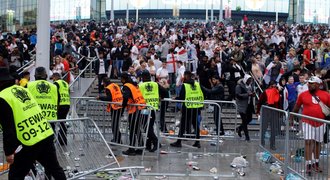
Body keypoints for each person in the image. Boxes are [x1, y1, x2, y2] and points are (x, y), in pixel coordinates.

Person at [0, 67, 66, 179]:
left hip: (28, 141)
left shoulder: (2, 97)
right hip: (44, 133)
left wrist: (9, 152)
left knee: (15, 175)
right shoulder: (22, 89)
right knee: (55, 169)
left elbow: (8, 127)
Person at [292, 76, 330, 176]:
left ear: (318, 84)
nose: (310, 85)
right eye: (309, 83)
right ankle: (308, 165)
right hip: (307, 122)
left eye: (312, 83)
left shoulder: (326, 95)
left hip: (320, 123)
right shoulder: (303, 95)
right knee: (308, 142)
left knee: (318, 143)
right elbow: (296, 107)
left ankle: (316, 163)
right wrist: (290, 118)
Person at [170, 71, 204, 148]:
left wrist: (175, 98)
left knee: (182, 125)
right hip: (196, 107)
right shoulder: (197, 84)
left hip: (188, 108)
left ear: (185, 76)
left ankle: (179, 142)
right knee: (195, 125)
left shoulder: (185, 85)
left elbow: (182, 97)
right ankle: (197, 142)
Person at [139, 70, 168, 152]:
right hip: (153, 108)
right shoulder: (155, 84)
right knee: (149, 127)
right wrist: (160, 97)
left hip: (144, 109)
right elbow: (166, 92)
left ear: (143, 77)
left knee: (146, 128)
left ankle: (156, 142)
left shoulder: (141, 85)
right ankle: (148, 144)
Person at [121, 72, 146, 156]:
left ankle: (131, 149)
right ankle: (141, 147)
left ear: (123, 79)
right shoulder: (133, 85)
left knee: (132, 129)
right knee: (137, 129)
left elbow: (125, 97)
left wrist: (123, 107)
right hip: (139, 108)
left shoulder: (127, 86)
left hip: (134, 110)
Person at [256, 80, 281, 150]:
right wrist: (257, 111)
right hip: (267, 112)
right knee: (264, 128)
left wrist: (280, 113)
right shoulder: (266, 92)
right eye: (273, 86)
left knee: (273, 129)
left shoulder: (277, 92)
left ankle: (272, 144)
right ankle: (263, 142)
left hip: (273, 112)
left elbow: (278, 103)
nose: (274, 87)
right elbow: (260, 102)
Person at [97, 77, 123, 144]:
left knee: (114, 124)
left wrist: (100, 97)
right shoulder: (115, 85)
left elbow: (109, 98)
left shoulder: (108, 88)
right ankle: (118, 139)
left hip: (115, 107)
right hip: (120, 105)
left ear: (104, 82)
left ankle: (117, 139)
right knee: (115, 124)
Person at [52, 73, 70, 145]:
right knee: (63, 123)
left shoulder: (56, 83)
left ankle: (54, 139)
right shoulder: (65, 83)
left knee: (54, 122)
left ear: (55, 77)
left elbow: (55, 94)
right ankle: (63, 141)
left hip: (60, 105)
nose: (52, 79)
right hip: (67, 104)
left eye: (53, 78)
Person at [235, 74, 255, 141]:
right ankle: (247, 136)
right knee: (244, 120)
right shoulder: (239, 86)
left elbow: (251, 93)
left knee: (249, 119)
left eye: (250, 80)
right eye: (249, 80)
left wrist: (252, 95)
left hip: (249, 105)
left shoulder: (250, 86)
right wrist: (247, 95)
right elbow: (238, 95)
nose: (250, 82)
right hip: (242, 106)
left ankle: (240, 128)